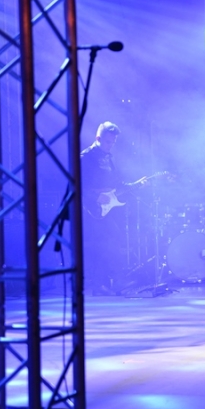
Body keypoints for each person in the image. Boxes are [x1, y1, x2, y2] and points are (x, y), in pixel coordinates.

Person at [81, 121, 126, 295]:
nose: (110, 145)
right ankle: (99, 284)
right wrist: (95, 197)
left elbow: (116, 184)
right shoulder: (86, 157)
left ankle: (108, 282)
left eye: (113, 142)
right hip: (89, 210)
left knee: (112, 240)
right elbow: (75, 184)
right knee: (101, 244)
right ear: (98, 139)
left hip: (105, 209)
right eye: (108, 142)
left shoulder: (109, 159)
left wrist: (136, 185)